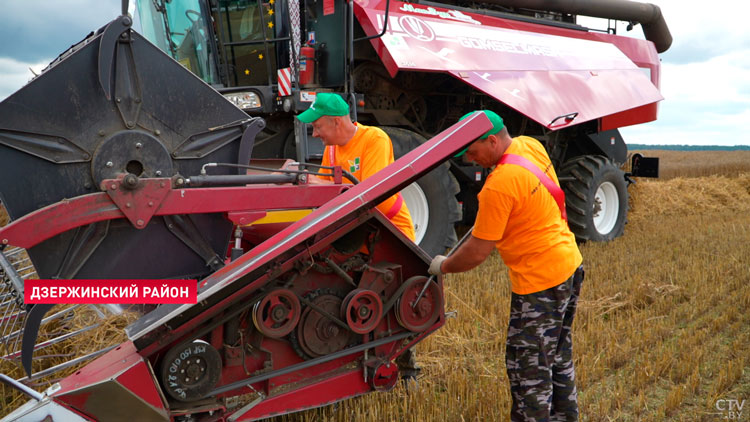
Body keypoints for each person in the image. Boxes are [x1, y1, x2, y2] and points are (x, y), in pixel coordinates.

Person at [429, 110, 584, 421]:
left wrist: (443, 266)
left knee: (527, 369)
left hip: (540, 282)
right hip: (569, 265)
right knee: (556, 356)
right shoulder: (529, 145)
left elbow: (476, 253)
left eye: (472, 152)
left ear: (491, 140)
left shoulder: (499, 184)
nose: (471, 160)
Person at [296, 93, 416, 241]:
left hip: (391, 232)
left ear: (336, 122)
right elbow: (321, 194)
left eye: (317, 127)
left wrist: (318, 182)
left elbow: (370, 195)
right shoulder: (332, 148)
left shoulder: (374, 139)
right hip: (357, 232)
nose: (314, 134)